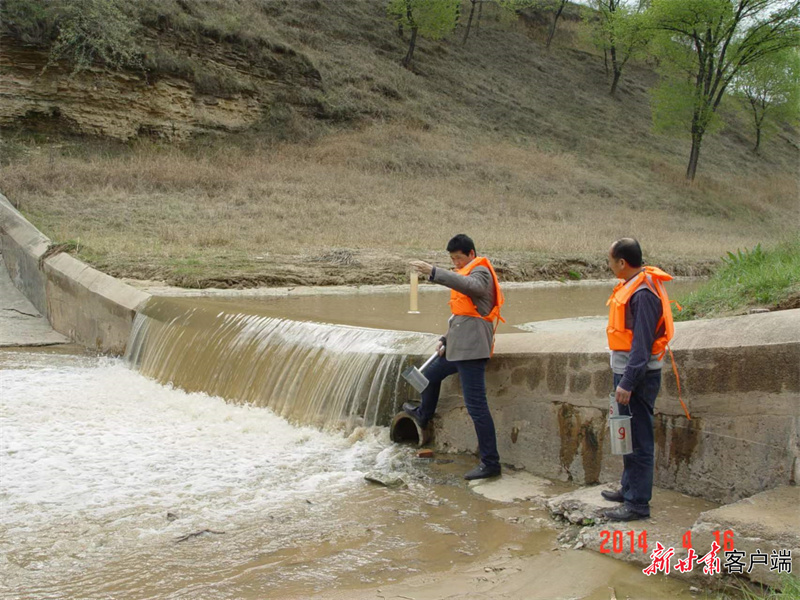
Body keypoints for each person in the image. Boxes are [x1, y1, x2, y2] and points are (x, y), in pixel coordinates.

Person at [404, 234, 504, 481]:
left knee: (476, 407)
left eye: (459, 258)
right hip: (457, 346)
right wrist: (445, 339)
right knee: (427, 375)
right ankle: (423, 414)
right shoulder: (467, 271)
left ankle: (490, 462)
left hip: (472, 350)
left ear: (470, 253)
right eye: (452, 259)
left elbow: (473, 288)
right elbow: (461, 315)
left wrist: (434, 272)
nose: (456, 263)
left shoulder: (480, 271)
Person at [602, 238, 675, 521]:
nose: (608, 265)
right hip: (627, 372)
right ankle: (628, 488)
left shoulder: (643, 293)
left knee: (641, 439)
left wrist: (627, 382)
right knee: (628, 435)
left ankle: (637, 505)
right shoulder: (632, 285)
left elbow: (642, 346)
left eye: (610, 260)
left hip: (638, 377)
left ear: (622, 262)